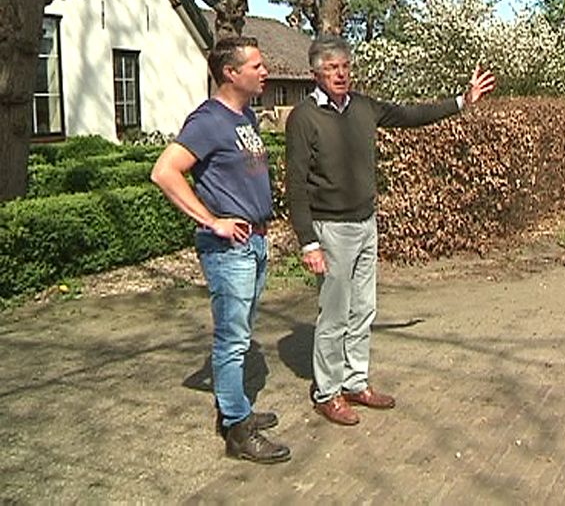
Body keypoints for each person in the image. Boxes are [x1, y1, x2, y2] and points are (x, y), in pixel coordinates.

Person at [285, 34, 495, 426]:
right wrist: (307, 242)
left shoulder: (363, 107)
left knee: (363, 309)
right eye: (332, 68)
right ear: (315, 74)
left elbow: (410, 116)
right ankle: (327, 392)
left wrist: (462, 101)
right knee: (334, 315)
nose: (341, 74)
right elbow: (295, 185)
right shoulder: (304, 118)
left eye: (345, 67)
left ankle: (355, 381)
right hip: (331, 229)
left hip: (366, 223)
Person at [151, 36, 291, 464]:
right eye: (257, 66)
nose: (265, 72)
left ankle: (236, 407)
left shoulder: (245, 116)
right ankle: (236, 428)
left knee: (242, 334)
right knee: (232, 339)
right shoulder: (208, 120)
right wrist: (212, 220)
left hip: (255, 242)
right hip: (228, 248)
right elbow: (164, 172)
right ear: (230, 73)